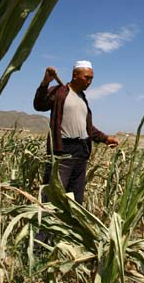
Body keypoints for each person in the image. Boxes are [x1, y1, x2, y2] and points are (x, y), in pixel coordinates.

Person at [33, 60, 119, 204]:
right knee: (53, 197)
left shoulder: (82, 99)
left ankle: (70, 226)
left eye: (91, 78)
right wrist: (45, 82)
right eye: (86, 77)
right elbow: (39, 105)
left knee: (75, 200)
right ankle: (46, 226)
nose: (89, 82)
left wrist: (105, 138)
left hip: (81, 151)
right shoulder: (59, 92)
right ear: (75, 75)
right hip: (62, 151)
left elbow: (88, 128)